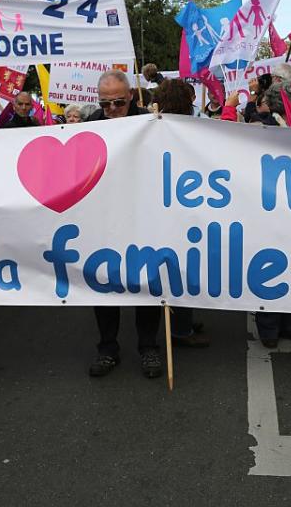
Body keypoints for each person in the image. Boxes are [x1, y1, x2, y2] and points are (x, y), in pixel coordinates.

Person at [85, 70, 164, 377]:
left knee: (145, 283)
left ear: (131, 96)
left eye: (118, 102)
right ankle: (107, 348)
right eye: (105, 104)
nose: (112, 110)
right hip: (102, 220)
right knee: (103, 285)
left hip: (142, 217)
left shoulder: (150, 125)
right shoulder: (91, 126)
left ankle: (148, 348)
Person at [229, 79, 291, 346]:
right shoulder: (259, 128)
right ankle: (268, 329)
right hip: (266, 211)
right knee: (269, 269)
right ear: (290, 103)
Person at [152, 78, 211, 348]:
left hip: (163, 207)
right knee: (182, 268)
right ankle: (179, 329)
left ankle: (181, 321)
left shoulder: (151, 127)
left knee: (174, 267)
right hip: (183, 209)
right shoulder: (192, 130)